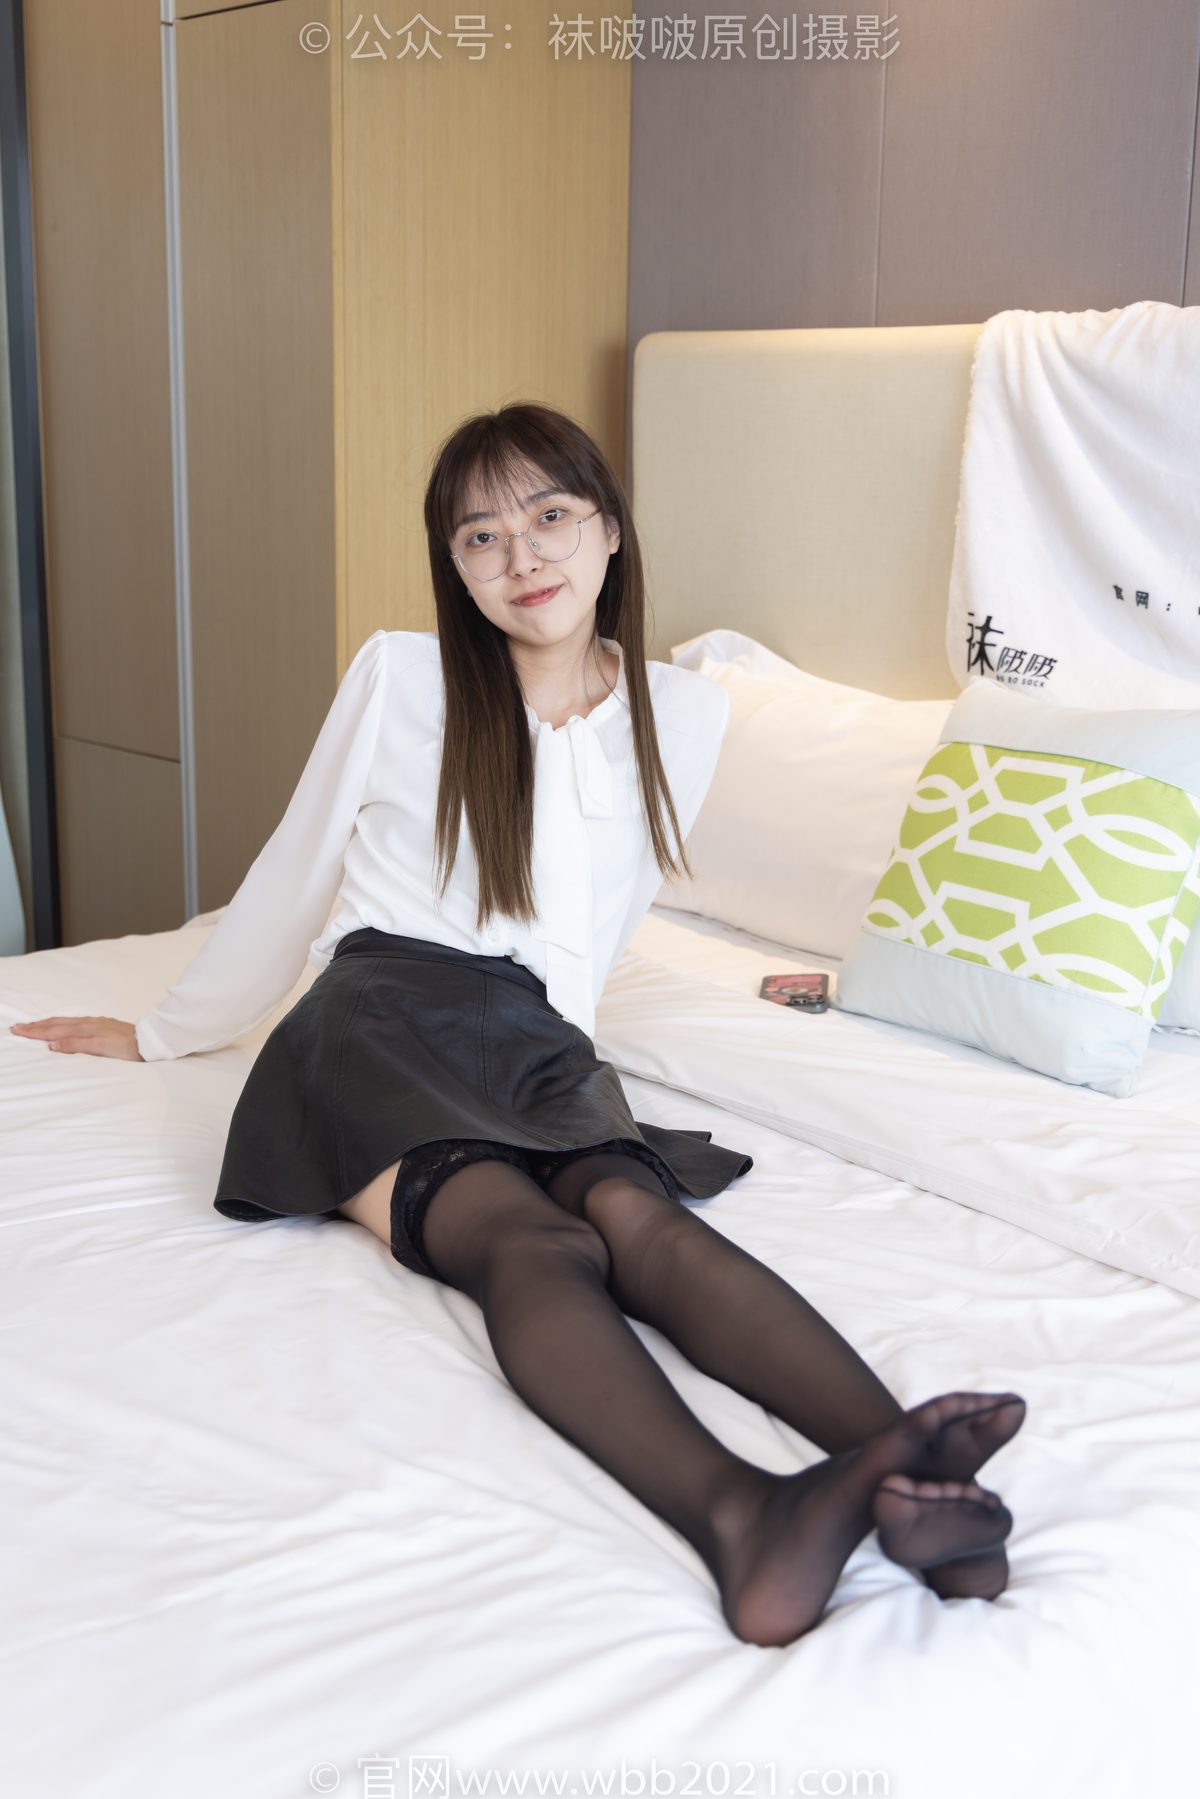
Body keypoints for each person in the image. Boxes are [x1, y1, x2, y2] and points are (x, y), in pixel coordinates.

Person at [10, 402, 1025, 1647]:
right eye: (480, 536)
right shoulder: (404, 676)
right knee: (527, 1239)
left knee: (637, 1215)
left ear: (610, 529)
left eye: (549, 516)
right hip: (377, 1009)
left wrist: (567, 1069)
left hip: (536, 1034)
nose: (521, 555)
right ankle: (741, 1516)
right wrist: (170, 1029)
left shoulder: (682, 710)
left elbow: (604, 910)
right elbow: (294, 863)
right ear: (454, 563)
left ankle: (915, 1474)